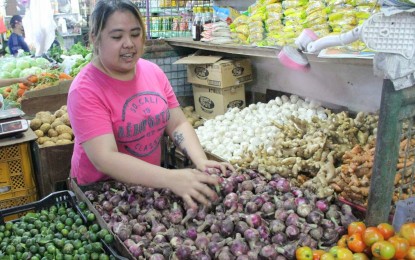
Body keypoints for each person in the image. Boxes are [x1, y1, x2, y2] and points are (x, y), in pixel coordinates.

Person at [67, 0, 234, 209]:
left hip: (148, 186)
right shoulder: (85, 90)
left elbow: (177, 124)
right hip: (102, 197)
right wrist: (171, 178)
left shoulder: (152, 71)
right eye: (117, 36)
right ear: (94, 38)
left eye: (135, 34)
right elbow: (105, 158)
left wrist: (200, 159)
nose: (128, 43)